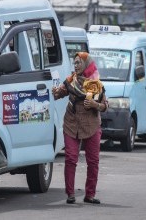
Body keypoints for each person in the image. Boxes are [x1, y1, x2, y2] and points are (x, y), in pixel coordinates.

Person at [53, 52, 107, 205]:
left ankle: (90, 195)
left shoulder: (96, 83)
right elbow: (60, 93)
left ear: (86, 64)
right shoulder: (71, 80)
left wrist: (95, 105)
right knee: (70, 158)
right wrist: (55, 92)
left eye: (78, 63)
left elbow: (105, 106)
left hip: (91, 125)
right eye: (74, 63)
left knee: (93, 161)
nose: (75, 66)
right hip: (72, 124)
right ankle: (70, 194)